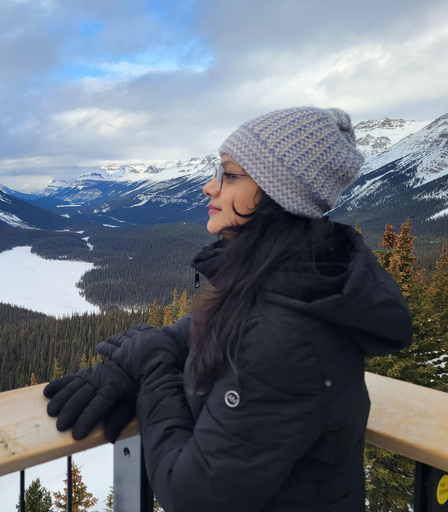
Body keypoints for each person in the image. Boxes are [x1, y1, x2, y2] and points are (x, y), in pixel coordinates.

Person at [43, 107, 413, 512]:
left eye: (230, 174)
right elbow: (200, 329)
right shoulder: (288, 281)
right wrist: (131, 357)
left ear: (278, 193)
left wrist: (151, 370)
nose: (209, 187)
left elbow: (193, 497)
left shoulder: (287, 336)